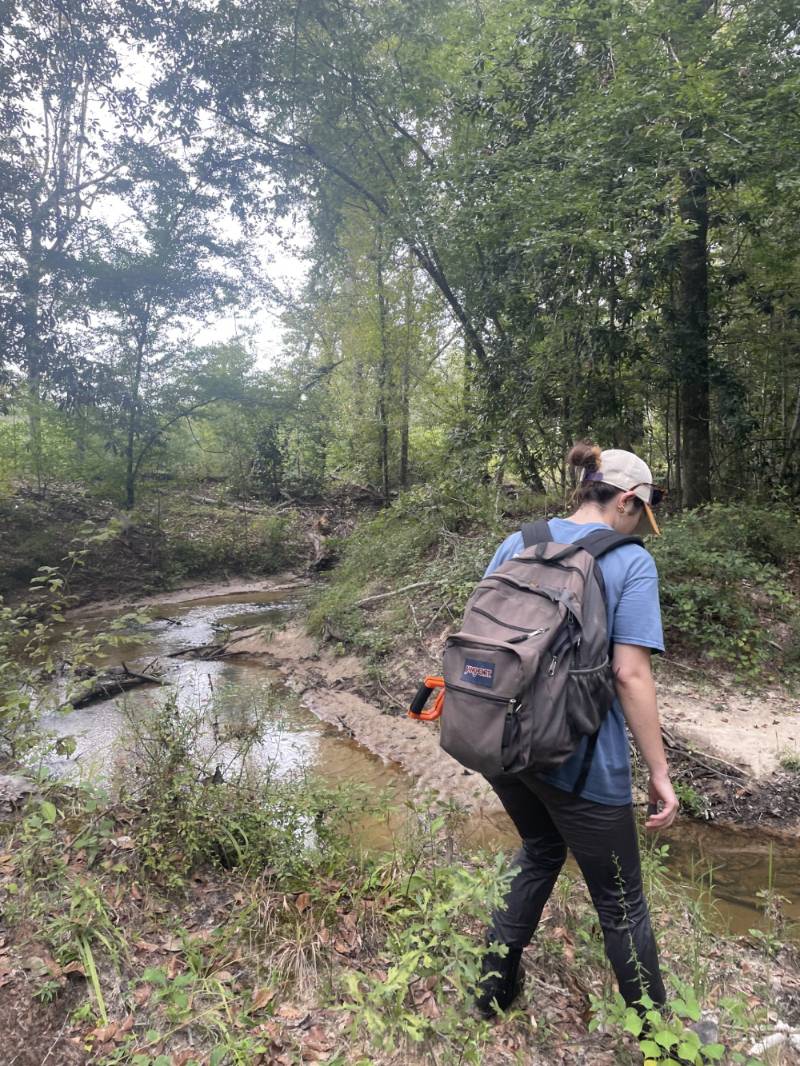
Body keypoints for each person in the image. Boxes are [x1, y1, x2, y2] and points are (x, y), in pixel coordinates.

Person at [476, 441, 679, 1018]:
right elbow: (630, 673)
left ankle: (490, 992)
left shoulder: (520, 542)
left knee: (540, 849)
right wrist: (659, 773)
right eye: (641, 510)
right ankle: (663, 1047)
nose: (639, 521)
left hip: (502, 742)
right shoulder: (631, 559)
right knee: (622, 904)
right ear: (626, 500)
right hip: (579, 758)